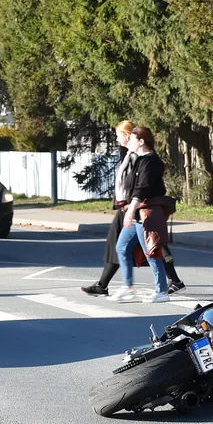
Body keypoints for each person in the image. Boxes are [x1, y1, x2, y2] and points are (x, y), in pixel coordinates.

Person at [108, 126, 170, 303]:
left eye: (133, 140)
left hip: (146, 214)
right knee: (122, 248)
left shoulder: (151, 162)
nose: (129, 143)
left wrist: (132, 209)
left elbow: (142, 189)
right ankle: (128, 287)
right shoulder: (139, 160)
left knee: (151, 252)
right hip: (136, 215)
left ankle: (162, 291)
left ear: (141, 142)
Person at [81, 120, 137, 296]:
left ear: (127, 135)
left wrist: (131, 203)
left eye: (119, 134)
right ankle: (103, 285)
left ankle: (171, 281)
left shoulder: (136, 155)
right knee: (120, 245)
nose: (116, 137)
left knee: (152, 247)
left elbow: (137, 182)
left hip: (131, 207)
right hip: (125, 206)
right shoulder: (127, 153)